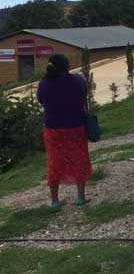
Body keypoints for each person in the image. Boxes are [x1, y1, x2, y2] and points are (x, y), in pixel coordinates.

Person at [36, 54, 93, 209]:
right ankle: (80, 197)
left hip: (53, 129)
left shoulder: (44, 83)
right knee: (79, 158)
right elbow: (84, 95)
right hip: (76, 126)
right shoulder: (78, 80)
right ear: (67, 66)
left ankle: (55, 201)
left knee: (54, 162)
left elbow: (41, 100)